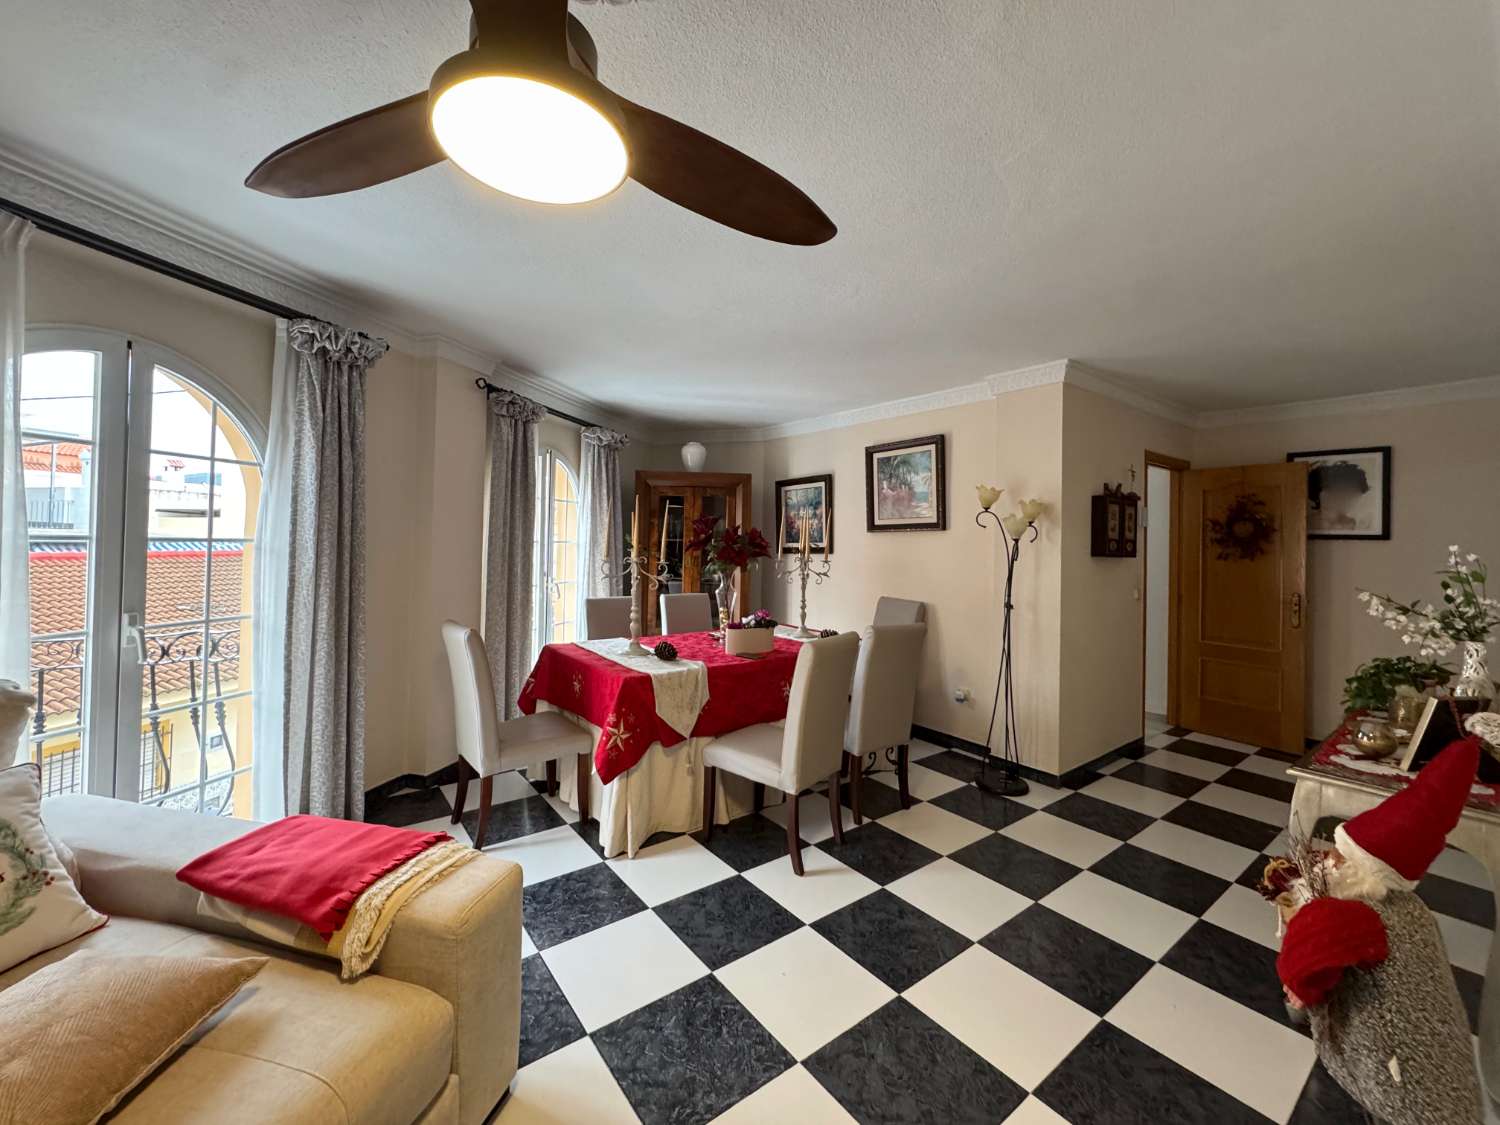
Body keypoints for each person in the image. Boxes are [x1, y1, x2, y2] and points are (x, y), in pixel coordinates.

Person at [1261, 738, 1483, 1123]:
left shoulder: (1357, 914)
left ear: (1363, 868)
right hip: (1452, 1074)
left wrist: (1300, 991)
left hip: (1404, 1081)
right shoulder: (1412, 908)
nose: (1331, 859)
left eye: (1340, 853)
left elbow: (1312, 944)